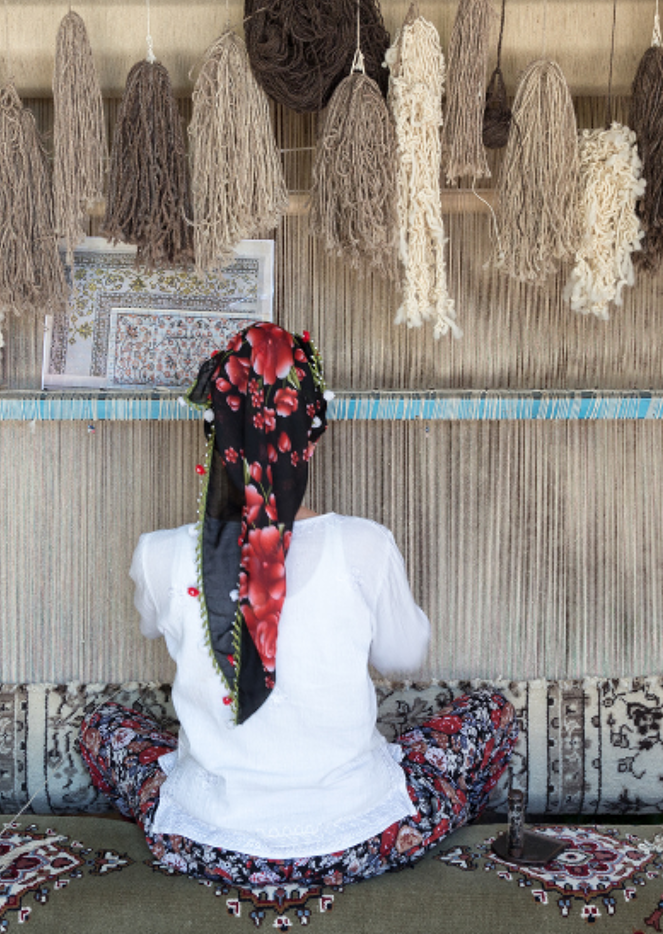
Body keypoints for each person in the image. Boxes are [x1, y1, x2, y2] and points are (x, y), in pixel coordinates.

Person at [78, 322, 515, 889]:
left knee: (104, 725)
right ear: (310, 438)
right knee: (490, 711)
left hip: (207, 842)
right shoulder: (364, 545)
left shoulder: (160, 555)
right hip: (357, 838)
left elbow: (151, 624)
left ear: (215, 436)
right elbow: (404, 654)